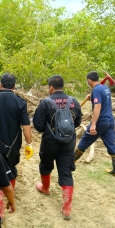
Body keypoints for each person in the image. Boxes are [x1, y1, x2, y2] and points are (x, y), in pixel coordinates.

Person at [0, 73, 32, 222]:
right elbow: (26, 126)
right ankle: (10, 198)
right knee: (11, 170)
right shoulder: (20, 102)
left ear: (0, 85)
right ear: (14, 86)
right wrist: (30, 144)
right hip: (14, 146)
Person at [32, 75, 82, 220]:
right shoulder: (74, 101)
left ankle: (45, 188)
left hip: (50, 141)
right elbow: (77, 123)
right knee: (66, 172)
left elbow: (39, 126)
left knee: (46, 165)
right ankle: (66, 209)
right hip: (68, 142)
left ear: (51, 88)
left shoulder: (45, 103)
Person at [74, 71, 115, 176]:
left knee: (85, 140)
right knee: (111, 144)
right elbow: (103, 101)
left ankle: (71, 163)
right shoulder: (105, 88)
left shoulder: (96, 89)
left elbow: (98, 106)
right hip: (109, 121)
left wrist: (93, 124)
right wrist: (92, 99)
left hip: (101, 121)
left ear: (89, 80)